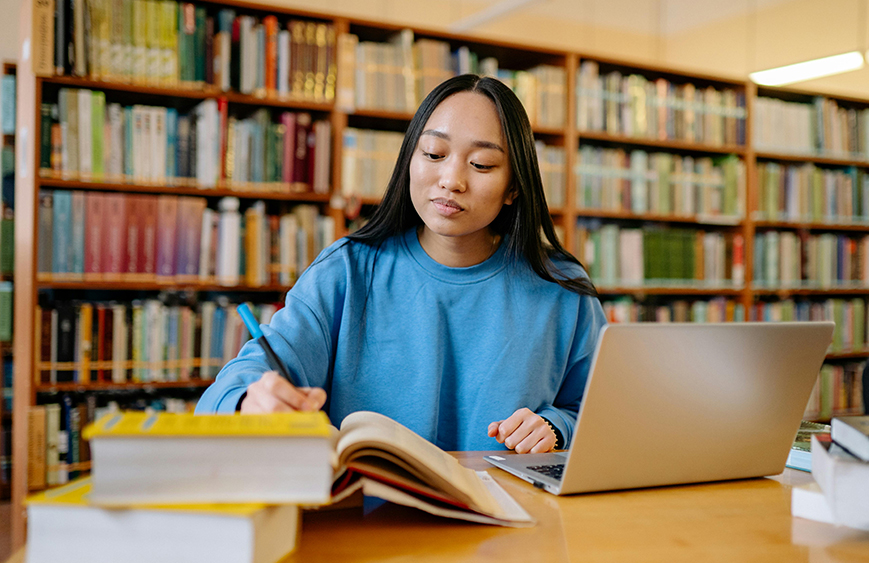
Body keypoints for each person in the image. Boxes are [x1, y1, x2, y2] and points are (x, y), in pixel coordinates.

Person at [196, 74, 606, 454]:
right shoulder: (348, 271)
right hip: (366, 521)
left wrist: (555, 428)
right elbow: (235, 384)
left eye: (481, 164)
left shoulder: (561, 287)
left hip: (514, 522)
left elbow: (605, 414)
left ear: (514, 186)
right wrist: (250, 400)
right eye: (433, 153)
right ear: (410, 158)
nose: (451, 179)